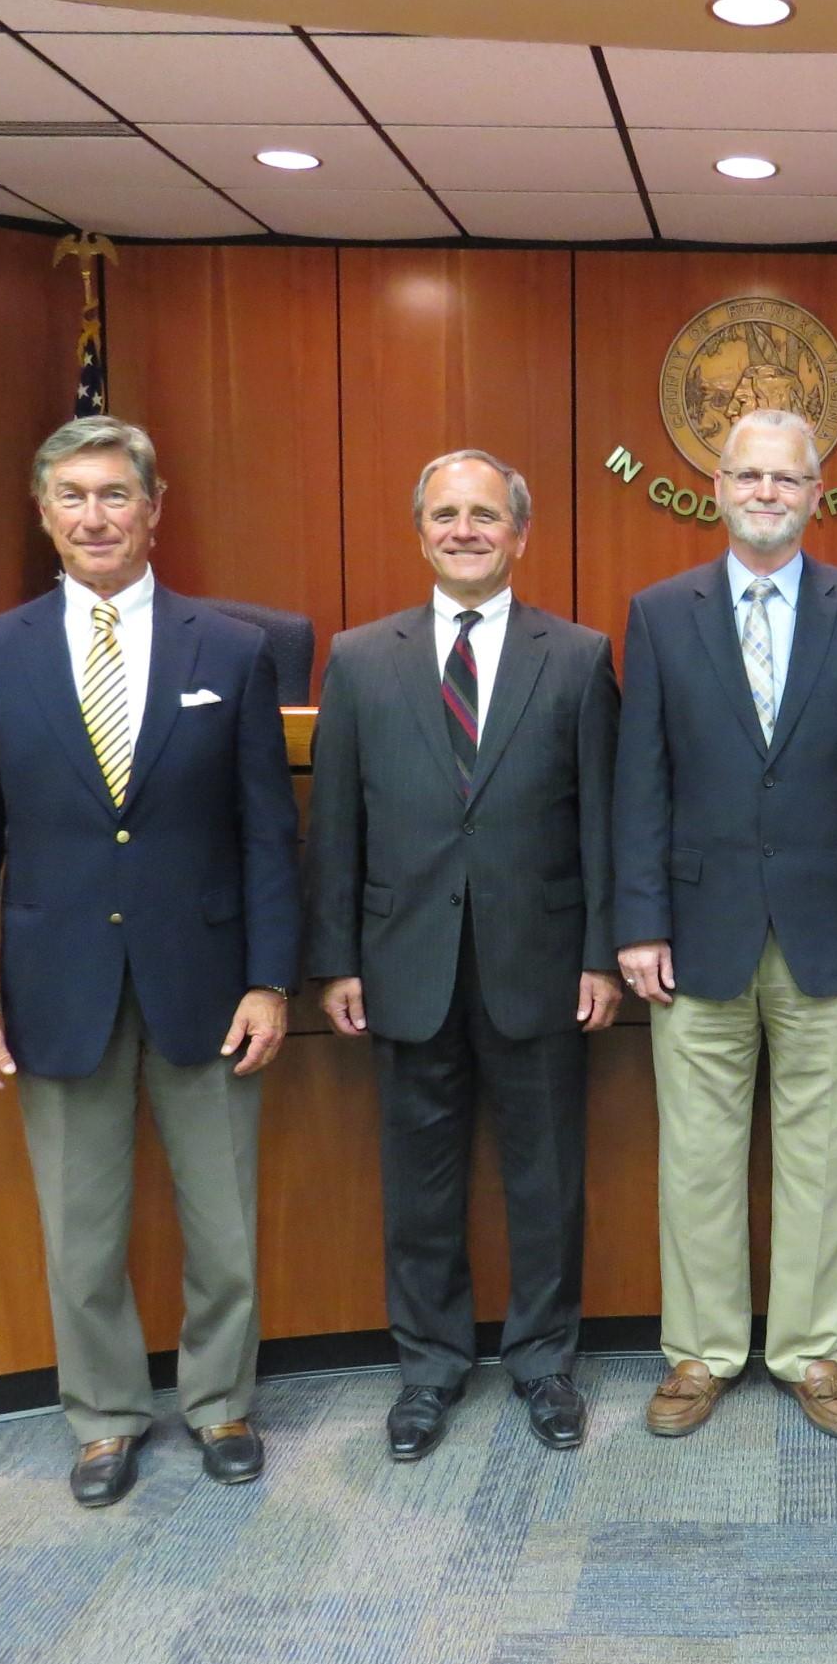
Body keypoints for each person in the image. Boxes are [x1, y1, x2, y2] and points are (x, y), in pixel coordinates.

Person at [0, 415, 300, 1508]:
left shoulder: (231, 649)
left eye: (114, 495)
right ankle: (103, 1420)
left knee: (223, 1223)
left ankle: (222, 1401)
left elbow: (268, 833)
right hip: (56, 987)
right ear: (45, 514)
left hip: (208, 981)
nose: (95, 516)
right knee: (80, 1231)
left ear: (153, 508)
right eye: (73, 496)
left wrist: (270, 979)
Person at [614, 408, 837, 1440]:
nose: (764, 492)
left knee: (828, 1154)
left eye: (784, 479)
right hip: (693, 929)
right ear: (716, 488)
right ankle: (700, 1351)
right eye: (746, 475)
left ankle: (809, 1348)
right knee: (697, 1154)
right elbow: (640, 778)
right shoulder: (659, 613)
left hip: (836, 929)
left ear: (815, 494)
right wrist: (639, 922)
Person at [306, 450, 619, 1459]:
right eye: (445, 514)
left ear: (519, 533)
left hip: (541, 958)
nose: (465, 530)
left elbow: (602, 821)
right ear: (420, 532)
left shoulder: (578, 656)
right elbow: (336, 820)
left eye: (485, 514)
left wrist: (602, 954)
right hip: (403, 959)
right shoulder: (360, 658)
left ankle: (543, 1361)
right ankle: (429, 1367)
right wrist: (336, 958)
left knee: (546, 1178)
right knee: (419, 1182)